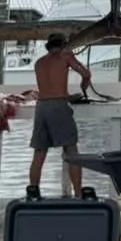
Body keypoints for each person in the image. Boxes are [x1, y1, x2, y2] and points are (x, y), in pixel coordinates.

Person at [26, 33, 93, 200]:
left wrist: (67, 95)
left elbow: (51, 87)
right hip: (58, 107)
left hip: (41, 106)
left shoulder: (39, 63)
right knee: (71, 151)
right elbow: (85, 74)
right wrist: (84, 85)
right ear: (64, 45)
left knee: (39, 152)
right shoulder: (66, 55)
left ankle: (33, 192)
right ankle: (78, 194)